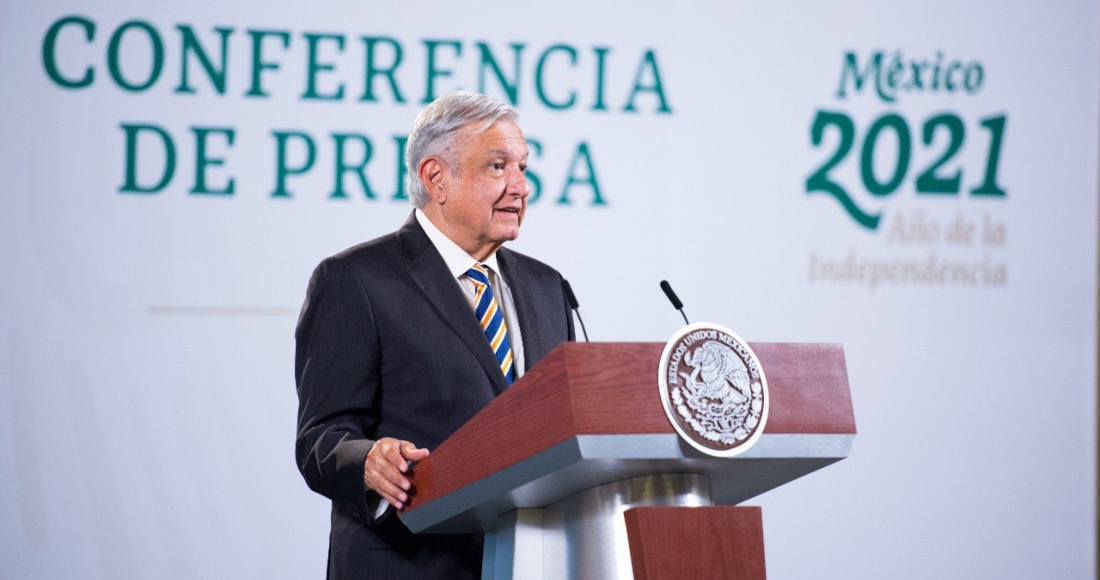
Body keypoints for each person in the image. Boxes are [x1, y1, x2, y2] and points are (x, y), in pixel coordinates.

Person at [294, 91, 575, 579]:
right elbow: (321, 438)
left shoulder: (548, 286)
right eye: (497, 167)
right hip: (409, 563)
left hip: (531, 561)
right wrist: (367, 460)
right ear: (435, 178)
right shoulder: (356, 280)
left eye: (523, 167)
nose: (520, 186)